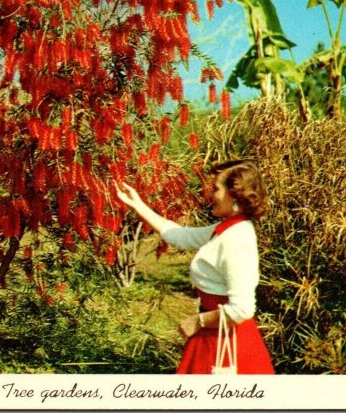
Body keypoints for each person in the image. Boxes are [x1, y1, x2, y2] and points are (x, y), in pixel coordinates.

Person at [115, 159, 275, 374]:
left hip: (227, 344)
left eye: (217, 189)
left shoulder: (236, 239)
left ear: (235, 194)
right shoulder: (226, 229)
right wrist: (138, 205)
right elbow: (181, 236)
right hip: (216, 335)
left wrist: (198, 322)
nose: (211, 195)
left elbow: (242, 309)